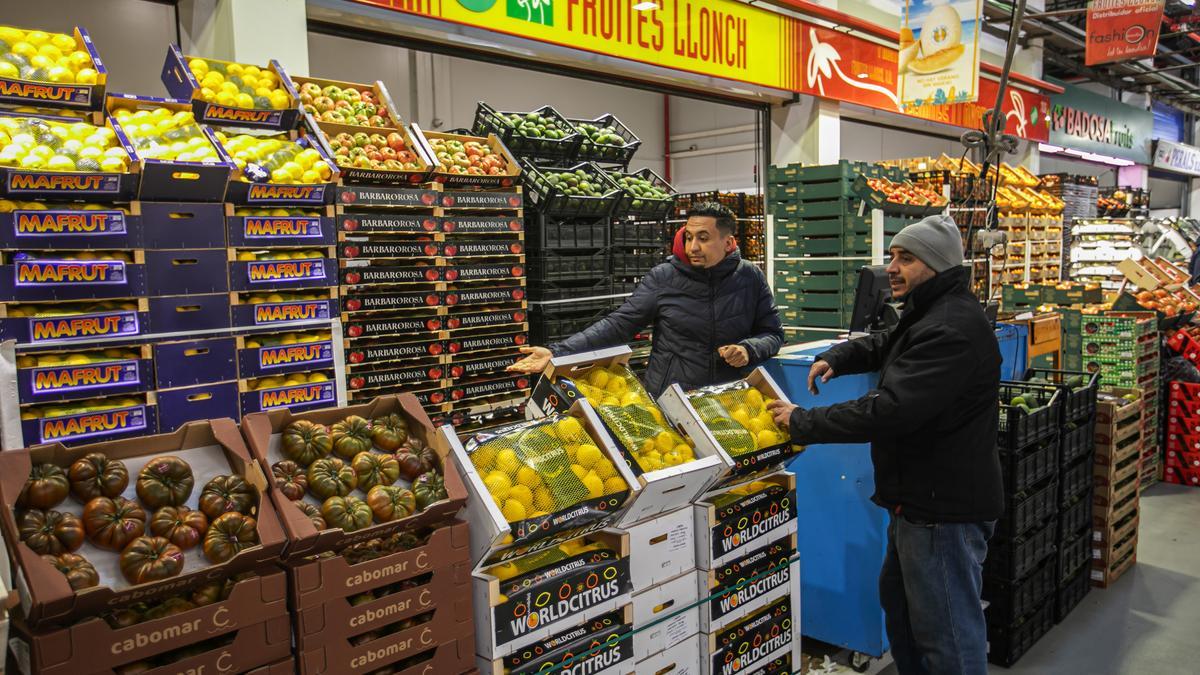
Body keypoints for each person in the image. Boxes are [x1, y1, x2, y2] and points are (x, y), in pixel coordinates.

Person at [767, 214, 1003, 675]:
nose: (891, 267)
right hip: (916, 501)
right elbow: (886, 344)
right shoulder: (929, 312)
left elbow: (891, 409)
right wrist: (836, 355)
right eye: (892, 256)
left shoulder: (950, 327)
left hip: (942, 512)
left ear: (936, 265)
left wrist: (802, 422)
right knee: (907, 621)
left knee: (948, 638)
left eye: (906, 258)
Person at [508, 201, 784, 396]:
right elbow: (619, 324)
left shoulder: (749, 277)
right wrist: (559, 353)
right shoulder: (664, 277)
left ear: (727, 242)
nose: (693, 247)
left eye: (703, 238)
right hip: (672, 397)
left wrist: (749, 348)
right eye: (688, 237)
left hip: (729, 396)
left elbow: (772, 333)